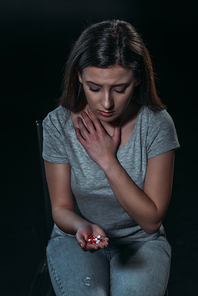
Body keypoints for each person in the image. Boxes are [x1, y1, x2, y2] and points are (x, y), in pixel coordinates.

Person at [42, 20, 180, 296]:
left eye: (119, 89)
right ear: (79, 76)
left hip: (142, 242)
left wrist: (107, 159)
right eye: (95, 88)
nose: (106, 103)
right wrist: (82, 225)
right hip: (75, 239)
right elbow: (60, 207)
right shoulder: (57, 124)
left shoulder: (157, 124)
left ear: (138, 78)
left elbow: (151, 220)